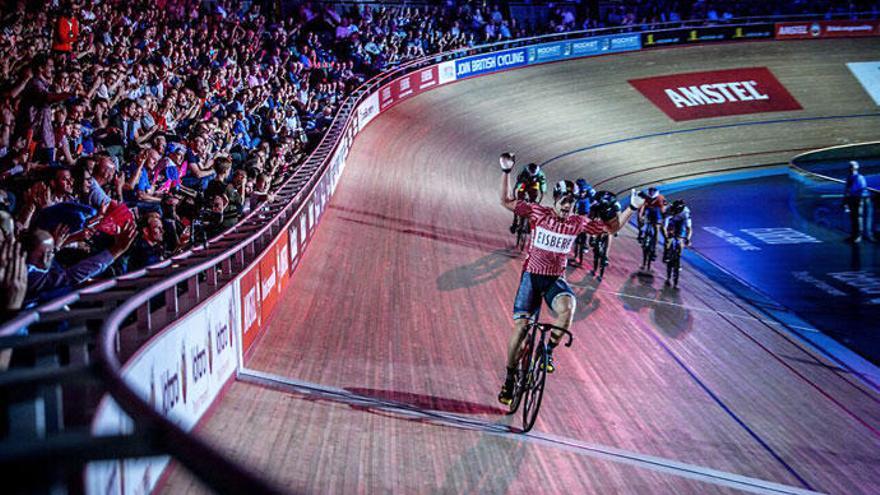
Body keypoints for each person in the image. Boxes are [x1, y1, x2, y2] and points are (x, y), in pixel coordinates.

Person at [497, 153, 643, 405]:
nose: (567, 207)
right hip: (532, 278)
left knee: (569, 308)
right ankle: (510, 379)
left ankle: (547, 352)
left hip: (555, 280)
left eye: (571, 203)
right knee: (521, 329)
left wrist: (632, 207)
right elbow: (506, 200)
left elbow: (611, 228)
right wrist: (506, 172)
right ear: (555, 200)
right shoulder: (537, 212)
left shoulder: (577, 222)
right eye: (564, 202)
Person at [508, 157, 546, 234]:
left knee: (533, 201)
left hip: (533, 185)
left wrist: (539, 199)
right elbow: (517, 186)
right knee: (519, 203)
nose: (531, 176)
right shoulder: (523, 172)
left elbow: (543, 188)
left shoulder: (540, 174)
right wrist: (516, 197)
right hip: (524, 183)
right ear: (528, 171)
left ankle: (529, 223)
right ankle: (515, 222)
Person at [844, 161, 874, 243]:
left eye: (852, 167)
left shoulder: (859, 177)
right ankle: (854, 235)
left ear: (856, 168)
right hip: (853, 198)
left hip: (859, 199)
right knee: (853, 218)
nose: (851, 169)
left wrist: (858, 200)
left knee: (858, 218)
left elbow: (862, 189)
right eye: (850, 167)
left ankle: (859, 236)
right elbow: (847, 190)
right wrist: (846, 201)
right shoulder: (849, 177)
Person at [662, 199, 692, 266]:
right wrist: (666, 236)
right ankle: (666, 253)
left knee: (680, 239)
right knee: (668, 238)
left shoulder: (686, 212)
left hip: (681, 222)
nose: (676, 212)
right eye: (675, 210)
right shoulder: (669, 209)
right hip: (671, 221)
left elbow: (689, 228)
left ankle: (678, 258)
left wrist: (688, 238)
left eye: (677, 211)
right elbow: (664, 227)